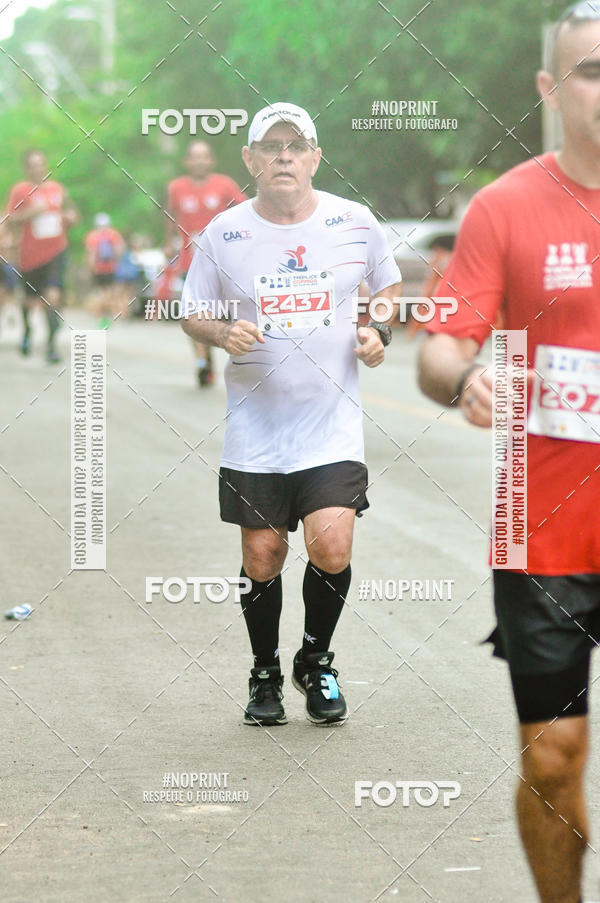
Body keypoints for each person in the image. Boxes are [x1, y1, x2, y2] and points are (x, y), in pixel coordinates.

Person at [417, 5, 600, 901]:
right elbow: (442, 345)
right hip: (547, 529)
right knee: (555, 754)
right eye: (592, 70)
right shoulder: (507, 207)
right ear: (551, 89)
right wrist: (462, 381)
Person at [181, 102, 402, 727]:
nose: (284, 156)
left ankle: (318, 660)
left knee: (332, 544)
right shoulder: (223, 234)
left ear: (314, 157)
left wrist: (377, 330)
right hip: (256, 427)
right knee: (262, 557)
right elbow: (191, 310)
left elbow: (386, 290)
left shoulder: (353, 222)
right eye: (270, 146)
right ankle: (264, 671)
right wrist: (222, 335)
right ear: (249, 160)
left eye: (295, 145)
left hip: (331, 423)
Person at [166, 140, 247, 386]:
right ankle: (202, 361)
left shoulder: (224, 185)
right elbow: (170, 217)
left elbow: (246, 212)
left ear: (211, 161)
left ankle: (224, 348)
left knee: (224, 313)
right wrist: (168, 243)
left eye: (204, 156)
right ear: (186, 161)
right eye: (194, 156)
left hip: (225, 260)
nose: (199, 161)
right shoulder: (176, 188)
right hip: (190, 260)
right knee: (194, 311)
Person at [6, 149, 78, 362]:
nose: (38, 168)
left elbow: (71, 212)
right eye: (33, 165)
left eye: (41, 164)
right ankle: (27, 331)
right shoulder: (20, 191)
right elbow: (10, 219)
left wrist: (71, 217)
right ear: (27, 168)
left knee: (53, 296)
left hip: (56, 250)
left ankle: (51, 346)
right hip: (30, 256)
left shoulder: (57, 189)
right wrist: (32, 213)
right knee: (29, 300)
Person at [84, 213, 125, 328]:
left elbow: (90, 254)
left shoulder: (92, 236)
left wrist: (90, 268)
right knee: (109, 294)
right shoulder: (114, 234)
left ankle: (102, 317)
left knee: (101, 293)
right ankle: (104, 317)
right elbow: (119, 251)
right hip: (111, 268)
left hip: (98, 270)